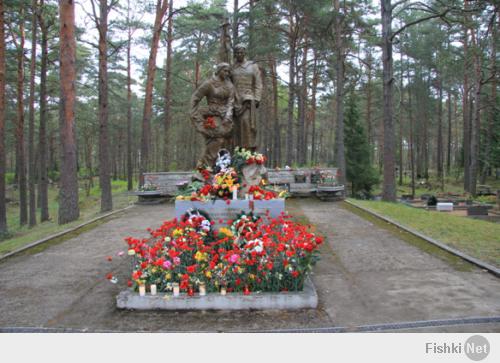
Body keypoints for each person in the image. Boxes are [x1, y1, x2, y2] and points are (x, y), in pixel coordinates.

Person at [190, 63, 235, 169]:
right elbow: (195, 97)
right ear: (219, 70)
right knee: (217, 139)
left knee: (230, 140)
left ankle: (224, 168)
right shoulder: (209, 83)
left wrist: (228, 115)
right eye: (225, 71)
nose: (227, 73)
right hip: (212, 114)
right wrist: (193, 113)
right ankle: (206, 167)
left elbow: (231, 101)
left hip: (226, 115)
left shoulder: (230, 85)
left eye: (228, 71)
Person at [231, 44, 262, 151]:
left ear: (245, 53)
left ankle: (249, 151)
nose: (239, 54)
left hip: (248, 100)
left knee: (247, 124)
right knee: (235, 127)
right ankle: (237, 151)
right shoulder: (232, 67)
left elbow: (258, 84)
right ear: (234, 54)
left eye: (241, 52)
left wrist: (257, 98)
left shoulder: (252, 66)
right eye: (237, 53)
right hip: (235, 100)